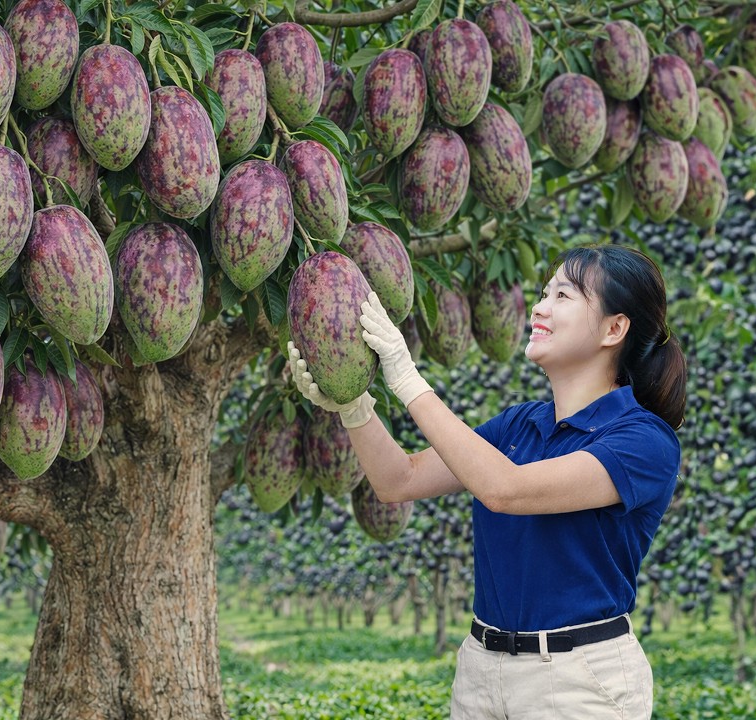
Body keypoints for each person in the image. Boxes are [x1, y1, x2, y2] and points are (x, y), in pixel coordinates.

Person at [287, 244, 686, 719]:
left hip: (578, 680)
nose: (539, 308)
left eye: (562, 295)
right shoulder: (520, 424)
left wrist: (407, 377)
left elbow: (505, 490)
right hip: (481, 669)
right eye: (544, 293)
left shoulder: (643, 441)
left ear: (614, 329)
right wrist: (355, 409)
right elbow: (399, 480)